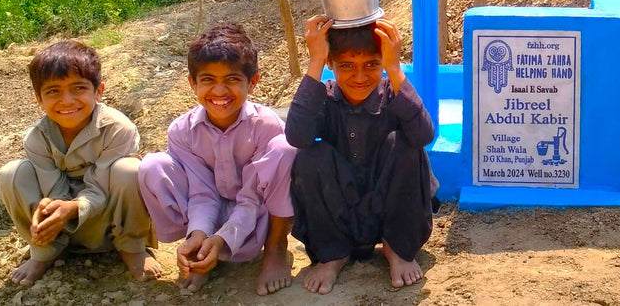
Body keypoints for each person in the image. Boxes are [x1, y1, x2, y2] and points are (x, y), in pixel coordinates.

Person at [137, 24, 295, 295]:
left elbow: (251, 199)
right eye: (208, 79)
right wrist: (199, 234)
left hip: (257, 212)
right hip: (206, 211)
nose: (219, 91)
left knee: (285, 150)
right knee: (152, 165)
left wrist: (223, 239)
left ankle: (276, 248)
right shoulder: (182, 131)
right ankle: (201, 254)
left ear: (252, 82)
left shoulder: (265, 126)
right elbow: (202, 194)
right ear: (192, 83)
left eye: (232, 79)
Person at [285, 16, 437, 295]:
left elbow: (425, 135)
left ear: (383, 62)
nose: (359, 76)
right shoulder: (325, 99)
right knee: (309, 155)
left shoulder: (394, 94)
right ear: (331, 63)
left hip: (390, 213)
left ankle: (397, 249)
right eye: (346, 66)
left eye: (371, 64)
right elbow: (296, 135)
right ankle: (333, 255)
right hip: (340, 215)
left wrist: (394, 67)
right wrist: (316, 60)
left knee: (405, 143)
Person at [0, 40, 161, 287]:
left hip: (106, 215)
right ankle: (45, 250)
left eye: (78, 88)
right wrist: (50, 209)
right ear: (38, 98)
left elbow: (100, 187)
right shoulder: (37, 137)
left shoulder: (117, 128)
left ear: (99, 91)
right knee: (11, 173)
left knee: (130, 170)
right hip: (63, 224)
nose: (67, 100)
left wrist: (72, 208)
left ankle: (131, 246)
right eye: (53, 91)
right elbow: (54, 190)